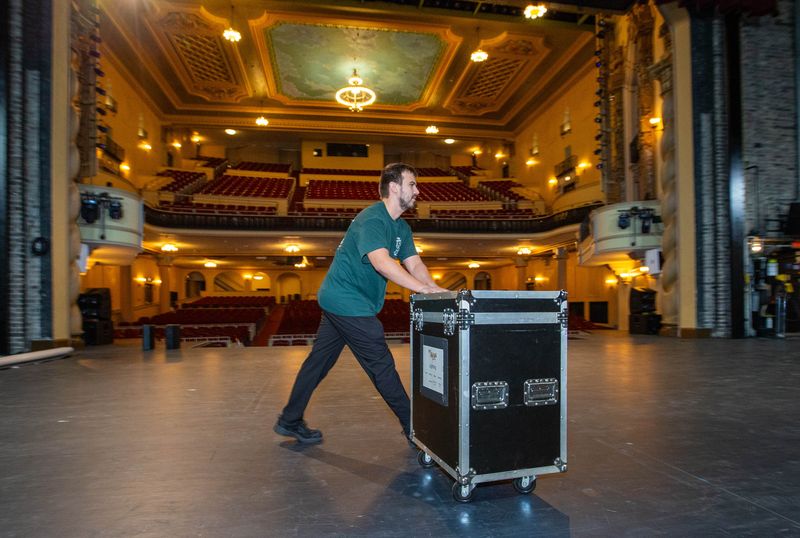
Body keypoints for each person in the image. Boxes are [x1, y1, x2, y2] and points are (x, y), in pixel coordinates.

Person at [274, 163, 448, 444]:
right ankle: (415, 428)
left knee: (319, 362)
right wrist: (424, 291)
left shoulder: (401, 227)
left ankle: (289, 420)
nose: (418, 190)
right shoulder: (373, 219)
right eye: (412, 184)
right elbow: (381, 263)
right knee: (381, 365)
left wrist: (435, 290)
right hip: (347, 301)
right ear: (394, 187)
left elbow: (414, 264)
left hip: (340, 299)